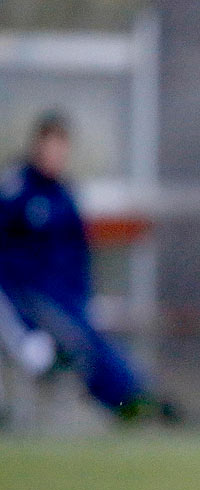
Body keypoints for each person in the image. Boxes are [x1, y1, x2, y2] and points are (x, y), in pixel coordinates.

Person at [0, 112, 172, 422]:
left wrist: (85, 296)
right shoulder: (16, 190)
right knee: (83, 344)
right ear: (38, 146)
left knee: (95, 340)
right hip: (31, 298)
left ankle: (138, 399)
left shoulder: (65, 196)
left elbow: (79, 256)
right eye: (51, 146)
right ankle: (131, 402)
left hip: (68, 299)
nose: (57, 155)